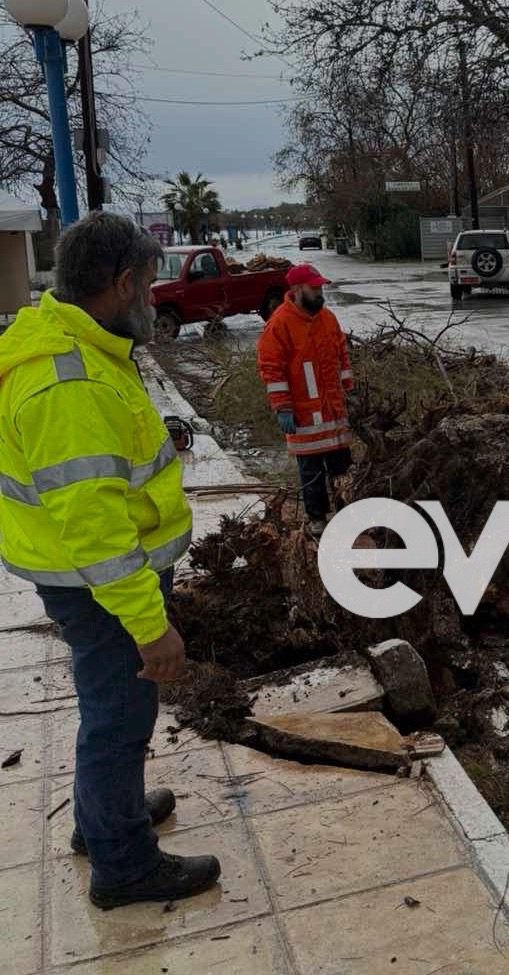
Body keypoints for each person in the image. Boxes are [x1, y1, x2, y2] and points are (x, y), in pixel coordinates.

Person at [0, 213, 220, 907]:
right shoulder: (72, 385)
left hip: (83, 576)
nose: (153, 299)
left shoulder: (81, 348)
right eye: (149, 286)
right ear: (121, 284)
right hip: (98, 584)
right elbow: (95, 531)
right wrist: (151, 626)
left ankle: (100, 821)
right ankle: (123, 864)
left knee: (110, 706)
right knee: (120, 714)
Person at [257, 263, 354, 538]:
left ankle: (347, 515)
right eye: (314, 288)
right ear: (297, 289)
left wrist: (349, 387)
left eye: (321, 287)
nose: (320, 292)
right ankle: (317, 519)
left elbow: (342, 353)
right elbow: (271, 368)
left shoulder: (328, 318)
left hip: (334, 411)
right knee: (311, 474)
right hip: (304, 414)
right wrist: (283, 407)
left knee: (343, 470)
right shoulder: (280, 324)